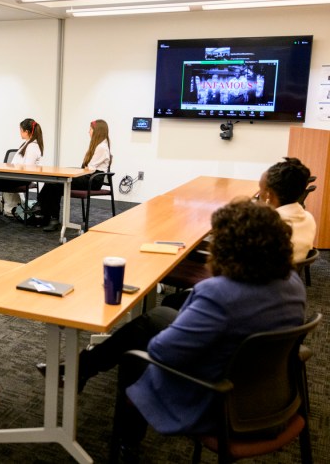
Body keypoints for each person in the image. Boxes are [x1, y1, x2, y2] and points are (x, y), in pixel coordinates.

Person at [41, 200, 305, 461]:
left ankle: (125, 442)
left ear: (227, 248)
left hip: (223, 404)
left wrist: (190, 313)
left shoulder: (218, 294)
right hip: (277, 399)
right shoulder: (292, 283)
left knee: (136, 352)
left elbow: (161, 350)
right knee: (158, 316)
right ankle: (84, 368)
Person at [160, 156, 316, 309]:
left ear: (268, 195)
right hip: (279, 291)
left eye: (259, 193)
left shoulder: (270, 226)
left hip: (246, 290)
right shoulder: (308, 218)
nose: (258, 198)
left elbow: (230, 259)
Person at [37, 119, 111, 232]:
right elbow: (87, 167)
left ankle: (46, 213)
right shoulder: (98, 145)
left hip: (93, 180)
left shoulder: (102, 147)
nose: (88, 131)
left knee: (55, 184)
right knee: (52, 183)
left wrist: (87, 168)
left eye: (90, 129)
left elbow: (90, 168)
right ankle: (45, 214)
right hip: (89, 176)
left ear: (97, 131)